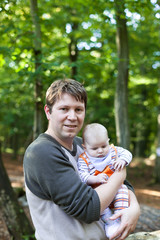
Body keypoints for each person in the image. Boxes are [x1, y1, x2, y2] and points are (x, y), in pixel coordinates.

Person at [23, 78, 140, 240]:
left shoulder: (84, 145)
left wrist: (134, 207)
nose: (72, 116)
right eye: (64, 109)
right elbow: (88, 208)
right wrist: (120, 173)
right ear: (48, 112)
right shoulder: (42, 152)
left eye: (78, 110)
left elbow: (123, 185)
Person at [78, 123, 132, 239]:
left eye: (104, 146)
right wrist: (95, 178)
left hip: (116, 188)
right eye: (94, 148)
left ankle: (120, 214)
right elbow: (82, 176)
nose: (100, 151)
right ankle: (110, 222)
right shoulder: (84, 160)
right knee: (101, 206)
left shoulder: (113, 151)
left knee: (123, 190)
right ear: (85, 147)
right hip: (98, 191)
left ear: (108, 141)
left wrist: (123, 160)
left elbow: (127, 153)